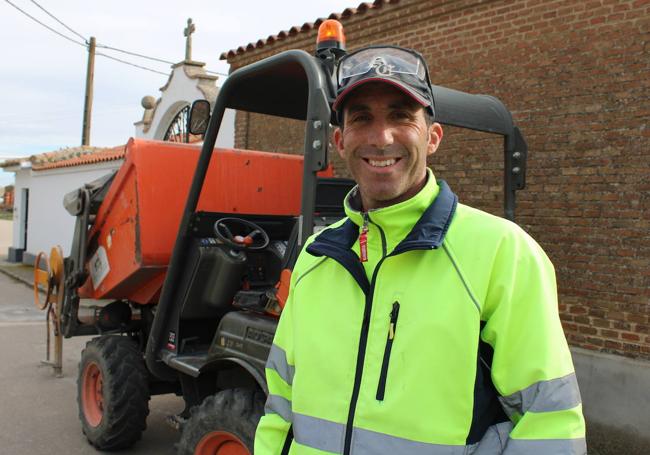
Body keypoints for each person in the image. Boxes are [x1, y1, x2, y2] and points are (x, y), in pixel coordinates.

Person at [255, 45, 586, 454]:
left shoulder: (503, 252)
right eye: (362, 118)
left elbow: (548, 422)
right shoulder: (315, 256)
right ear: (340, 141)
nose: (381, 137)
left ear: (432, 138)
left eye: (401, 116)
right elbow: (281, 405)